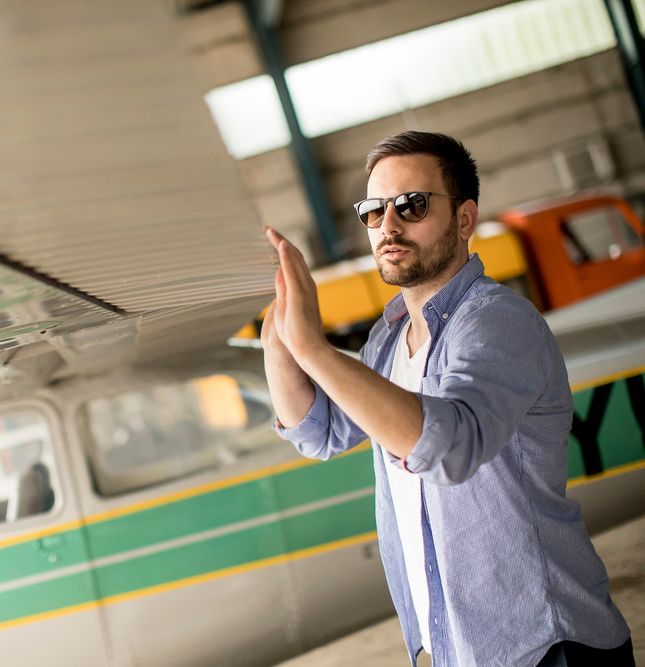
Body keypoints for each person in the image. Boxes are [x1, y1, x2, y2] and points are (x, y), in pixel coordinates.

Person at [262, 131, 633, 667]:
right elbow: (318, 431)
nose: (389, 226)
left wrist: (313, 349)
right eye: (374, 210)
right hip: (458, 652)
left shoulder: (496, 321)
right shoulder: (387, 341)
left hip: (544, 648)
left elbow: (448, 447)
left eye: (411, 205)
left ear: (464, 219)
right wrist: (278, 343)